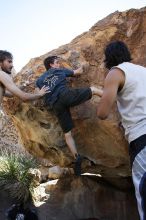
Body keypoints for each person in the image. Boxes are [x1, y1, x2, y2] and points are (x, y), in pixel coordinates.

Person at [97, 40, 146, 220]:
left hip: (142, 138)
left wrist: (99, 93)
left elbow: (102, 113)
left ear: (109, 58)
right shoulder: (143, 71)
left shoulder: (116, 72)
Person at [36, 56, 102, 176]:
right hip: (66, 95)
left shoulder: (39, 80)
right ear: (51, 65)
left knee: (67, 133)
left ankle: (76, 157)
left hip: (56, 105)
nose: (59, 64)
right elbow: (78, 72)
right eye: (57, 62)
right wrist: (82, 65)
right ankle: (116, 98)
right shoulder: (59, 71)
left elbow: (41, 90)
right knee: (93, 90)